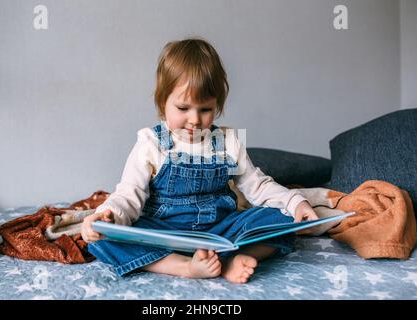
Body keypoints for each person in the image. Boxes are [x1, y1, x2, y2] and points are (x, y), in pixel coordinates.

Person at [81, 38, 319, 284]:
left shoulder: (228, 141)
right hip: (164, 233)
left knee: (281, 222)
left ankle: (231, 260)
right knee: (104, 241)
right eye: (183, 108)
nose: (194, 119)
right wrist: (108, 216)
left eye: (205, 109)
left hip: (220, 231)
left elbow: (257, 186)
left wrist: (296, 204)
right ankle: (185, 266)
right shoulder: (150, 143)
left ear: (218, 104)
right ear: (163, 102)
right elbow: (128, 195)